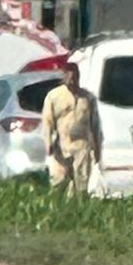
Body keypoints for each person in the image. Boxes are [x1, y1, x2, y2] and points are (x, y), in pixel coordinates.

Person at [42, 61, 102, 196]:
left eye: (75, 77)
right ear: (63, 77)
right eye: (69, 77)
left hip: (81, 146)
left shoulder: (87, 98)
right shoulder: (54, 96)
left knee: (81, 183)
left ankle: (79, 209)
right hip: (61, 146)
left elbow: (95, 125)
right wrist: (48, 143)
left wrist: (97, 147)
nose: (72, 80)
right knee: (59, 181)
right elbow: (47, 122)